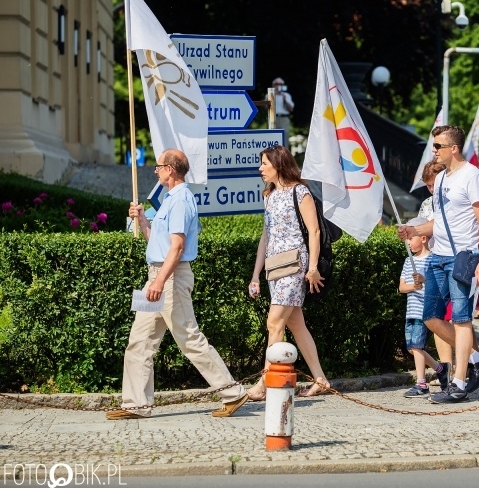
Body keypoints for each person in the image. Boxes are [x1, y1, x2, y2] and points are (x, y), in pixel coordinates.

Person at [107, 149, 247, 420]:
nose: (155, 171)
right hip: (157, 275)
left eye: (158, 166)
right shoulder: (169, 200)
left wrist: (159, 281)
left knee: (190, 339)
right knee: (139, 341)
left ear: (170, 169)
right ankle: (136, 405)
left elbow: (178, 247)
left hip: (169, 277)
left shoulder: (181, 199)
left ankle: (233, 392)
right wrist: (143, 220)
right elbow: (158, 245)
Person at [397, 124, 479, 403]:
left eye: (438, 146)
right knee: (431, 317)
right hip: (438, 255)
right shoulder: (439, 180)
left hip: (463, 256)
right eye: (433, 145)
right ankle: (476, 358)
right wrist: (415, 231)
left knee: (461, 319)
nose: (434, 150)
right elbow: (437, 221)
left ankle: (460, 383)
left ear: (454, 148)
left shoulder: (471, 176)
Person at [246, 145, 329, 399]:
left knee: (274, 322)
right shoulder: (268, 195)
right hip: (274, 266)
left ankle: (265, 383)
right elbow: (266, 235)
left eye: (265, 164)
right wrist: (255, 274)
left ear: (278, 165)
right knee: (296, 325)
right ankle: (321, 379)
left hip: (295, 265)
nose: (260, 168)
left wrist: (312, 267)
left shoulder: (300, 191)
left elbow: (313, 231)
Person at [398, 217, 451, 397]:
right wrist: (414, 286)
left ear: (423, 238)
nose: (408, 242)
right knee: (412, 348)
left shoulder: (432, 261)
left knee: (418, 346)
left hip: (424, 311)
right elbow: (402, 287)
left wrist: (425, 280)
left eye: (411, 238)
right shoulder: (408, 261)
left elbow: (438, 285)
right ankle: (440, 368)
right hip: (411, 310)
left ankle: (421, 383)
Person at [415, 160, 453, 361]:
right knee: (437, 317)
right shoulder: (427, 205)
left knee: (457, 318)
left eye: (434, 184)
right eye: (428, 185)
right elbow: (420, 235)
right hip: (434, 262)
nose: (431, 189)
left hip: (456, 262)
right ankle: (447, 368)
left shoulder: (456, 200)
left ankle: (471, 362)